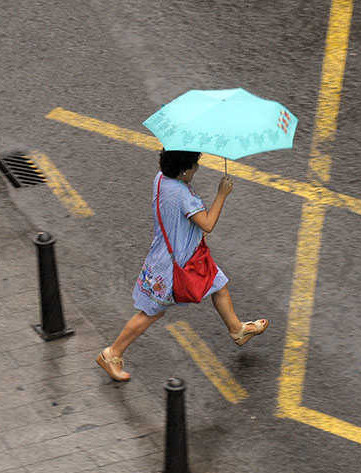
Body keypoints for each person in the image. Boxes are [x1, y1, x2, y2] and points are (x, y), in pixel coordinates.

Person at [96, 150, 268, 382]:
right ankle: (112, 353)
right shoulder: (182, 194)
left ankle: (237, 330)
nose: (197, 168)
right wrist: (222, 194)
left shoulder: (161, 178)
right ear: (184, 170)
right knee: (150, 312)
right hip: (174, 264)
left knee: (218, 284)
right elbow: (207, 223)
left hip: (187, 254)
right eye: (195, 165)